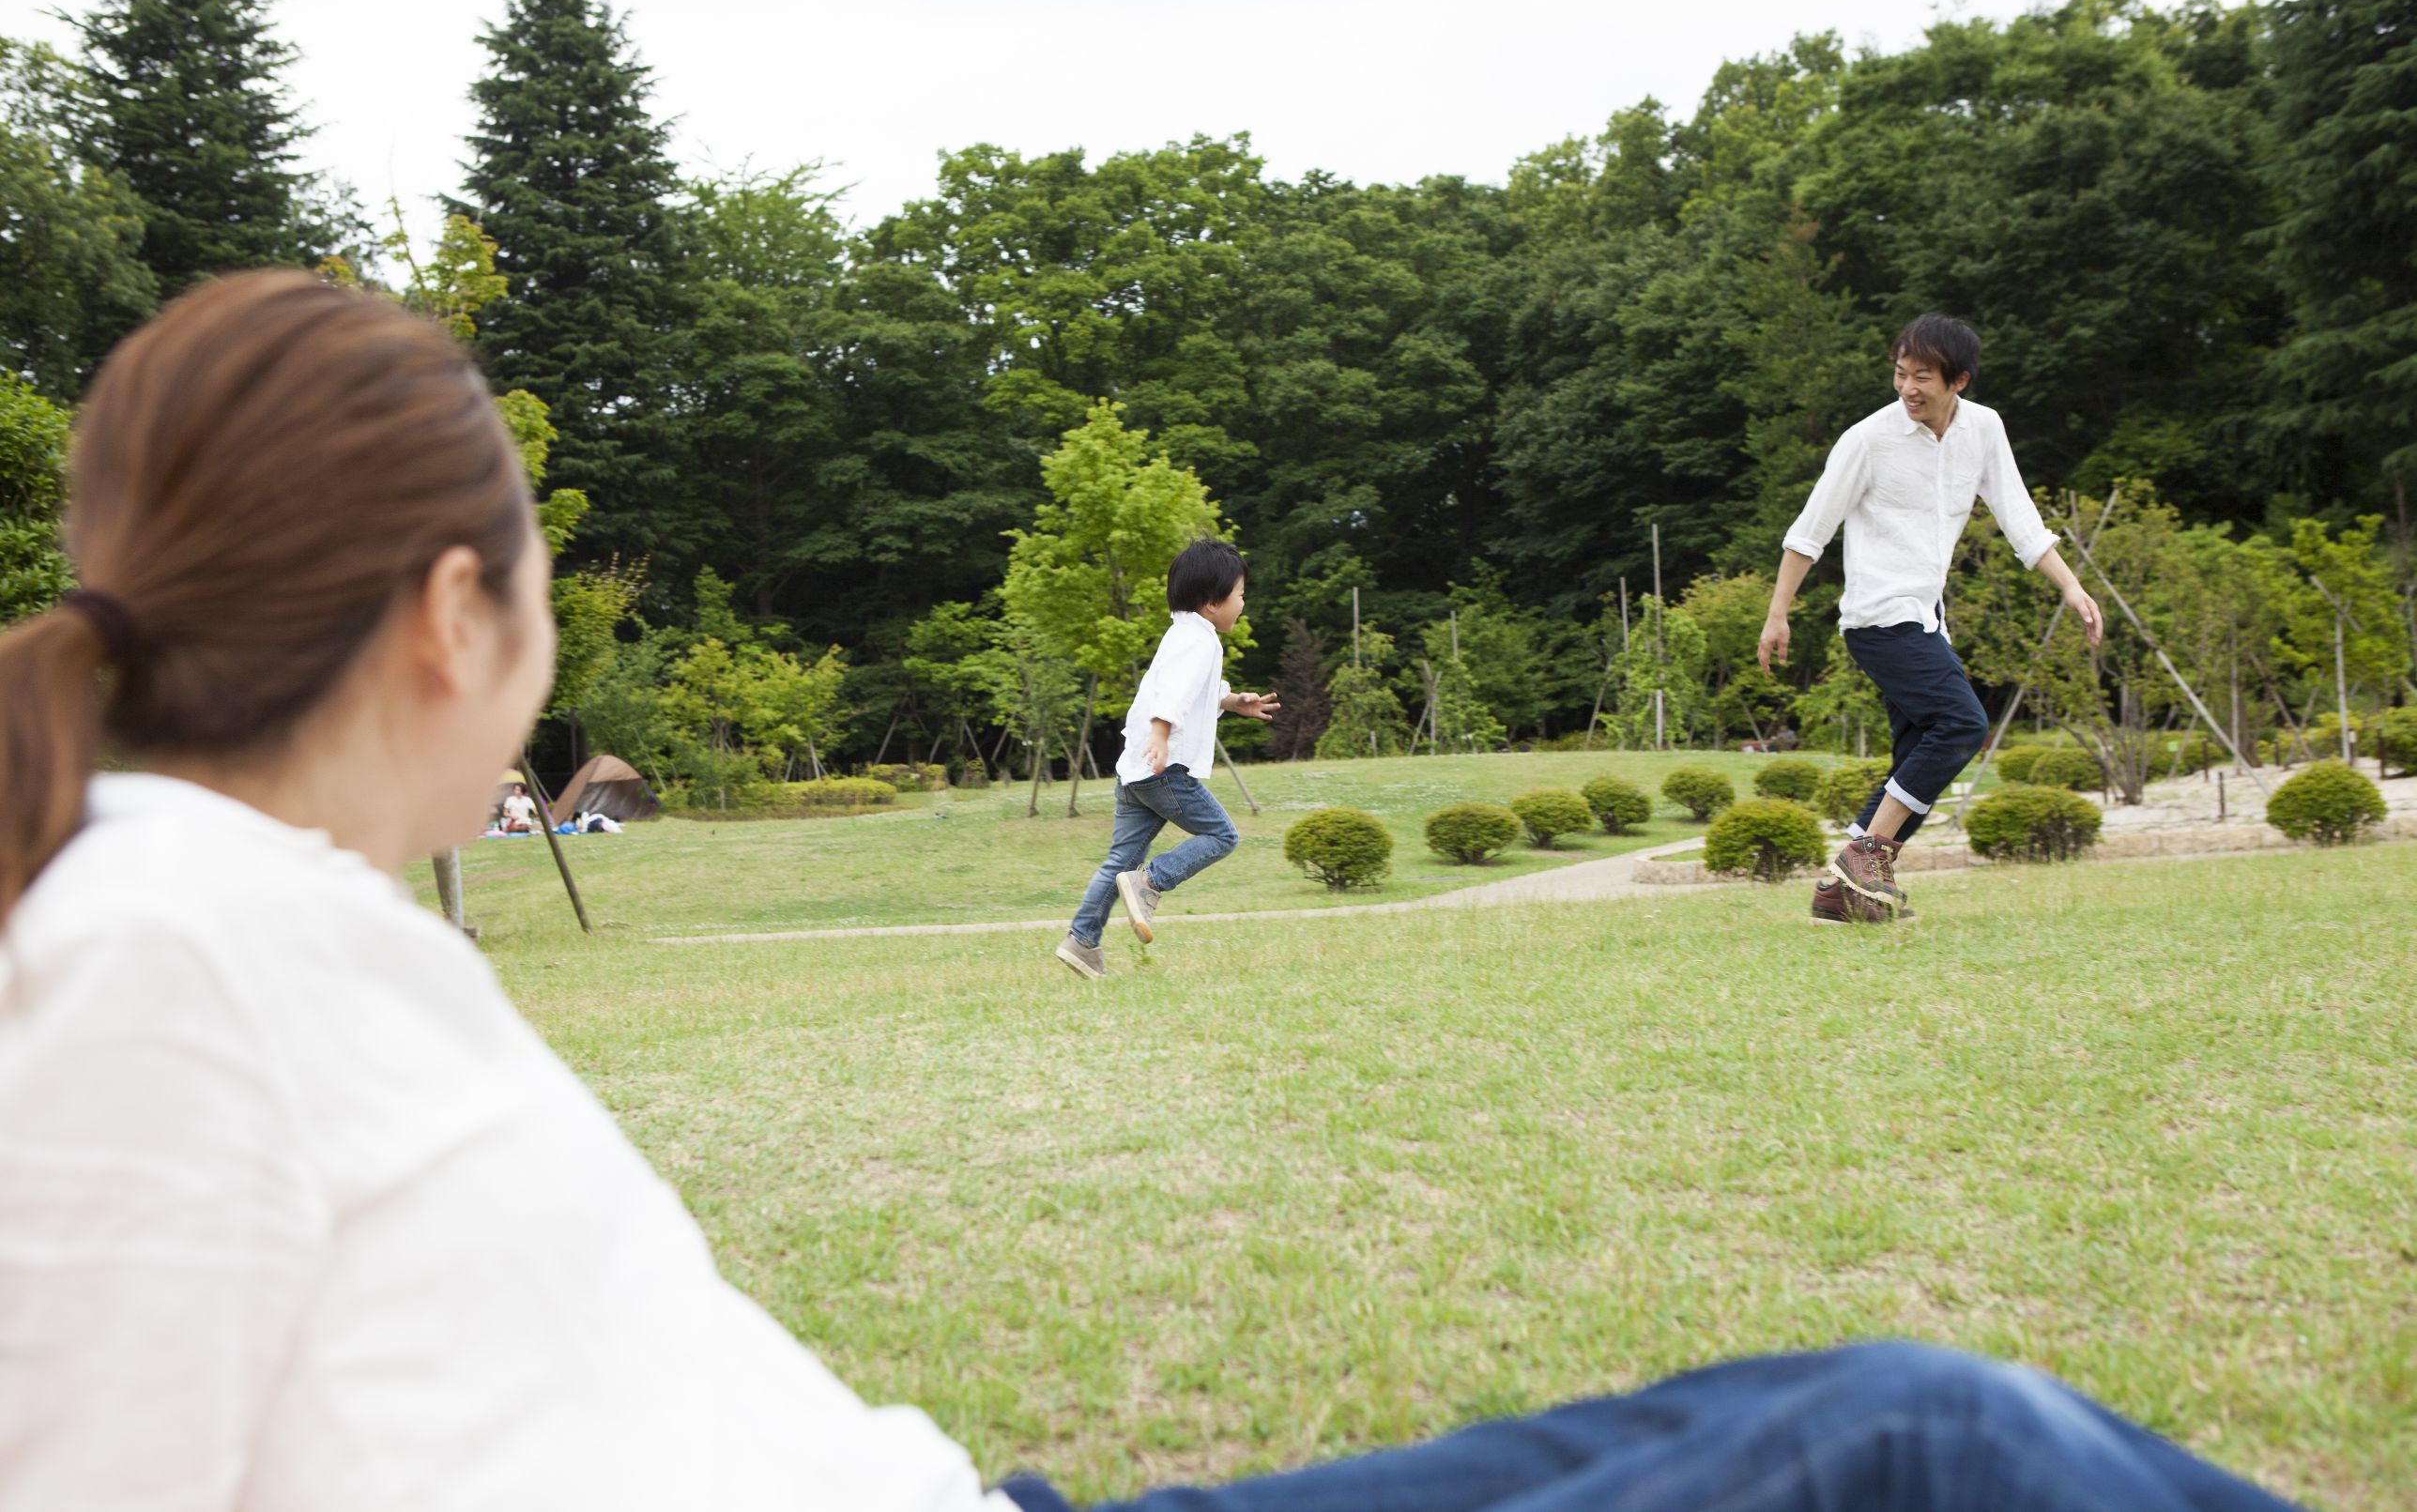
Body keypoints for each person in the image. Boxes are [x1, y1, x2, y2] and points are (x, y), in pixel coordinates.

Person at [0, 273, 2301, 1511]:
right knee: (1929, 1443)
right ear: (446, 621)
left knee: (1903, 1424)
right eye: (533, 597)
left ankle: (1120, 909)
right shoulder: (154, 957)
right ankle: (1126, 904)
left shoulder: (219, 923)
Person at [1758, 313, 2104, 925]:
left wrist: (2071, 587)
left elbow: (2019, 517)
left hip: (1926, 621)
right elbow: (1809, 531)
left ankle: (1837, 893)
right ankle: (1865, 855)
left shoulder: (1984, 431)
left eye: (1922, 376)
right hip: (1876, 619)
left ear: (1958, 381)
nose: (1907, 387)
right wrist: (1777, 612)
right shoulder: (1867, 439)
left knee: (1919, 755)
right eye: (1899, 373)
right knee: (1961, 724)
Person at [1052, 538, 1277, 980]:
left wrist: (1232, 701)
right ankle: (1152, 881)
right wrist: (1160, 731)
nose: (1243, 604)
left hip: (1136, 770)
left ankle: (1082, 941)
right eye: (1240, 595)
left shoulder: (1185, 635)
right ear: (1213, 602)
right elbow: (1172, 695)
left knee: (1119, 863)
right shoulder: (1199, 642)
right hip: (1164, 767)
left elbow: (1192, 688)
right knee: (1221, 835)